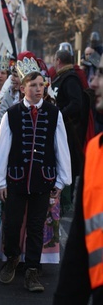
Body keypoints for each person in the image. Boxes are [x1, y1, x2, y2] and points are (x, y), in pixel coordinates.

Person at [0, 56, 71, 293]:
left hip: (43, 179)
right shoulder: (12, 114)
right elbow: (2, 148)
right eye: (32, 85)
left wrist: (62, 180)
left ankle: (32, 270)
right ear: (23, 87)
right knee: (13, 223)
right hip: (15, 179)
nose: (37, 89)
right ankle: (13, 257)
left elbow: (61, 147)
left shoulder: (54, 113)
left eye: (41, 84)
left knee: (36, 225)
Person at [53, 53, 103, 304]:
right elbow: (78, 251)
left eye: (101, 75)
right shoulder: (96, 151)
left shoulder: (69, 80)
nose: (93, 83)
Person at [52, 49, 85, 204]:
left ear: (58, 60)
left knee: (67, 162)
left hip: (69, 130)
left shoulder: (70, 79)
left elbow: (76, 103)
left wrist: (59, 114)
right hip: (63, 128)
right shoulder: (63, 77)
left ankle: (67, 199)